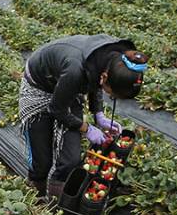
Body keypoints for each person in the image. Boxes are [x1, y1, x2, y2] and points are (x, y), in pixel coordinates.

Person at [18, 35, 149, 197]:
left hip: (68, 88)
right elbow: (57, 109)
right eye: (113, 93)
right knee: (42, 161)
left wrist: (99, 114)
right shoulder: (75, 70)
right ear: (105, 78)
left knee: (71, 159)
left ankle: (56, 200)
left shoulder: (111, 59)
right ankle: (35, 189)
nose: (111, 96)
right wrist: (87, 128)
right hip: (40, 87)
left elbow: (95, 81)